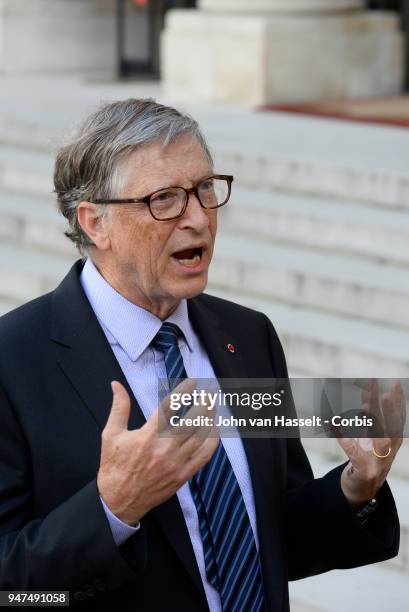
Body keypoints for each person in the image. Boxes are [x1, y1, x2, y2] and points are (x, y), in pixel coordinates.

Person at [0, 99, 404, 611]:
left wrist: (356, 485)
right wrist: (112, 509)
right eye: (164, 199)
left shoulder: (247, 334)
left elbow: (274, 538)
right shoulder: (14, 362)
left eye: (205, 189)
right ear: (94, 222)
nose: (198, 219)